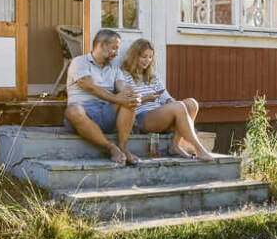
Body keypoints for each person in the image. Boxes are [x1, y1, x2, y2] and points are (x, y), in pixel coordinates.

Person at [118, 39, 216, 162]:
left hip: (161, 114)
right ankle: (199, 149)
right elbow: (128, 102)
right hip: (143, 117)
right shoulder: (124, 75)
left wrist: (170, 101)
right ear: (134, 56)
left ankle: (175, 145)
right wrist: (147, 98)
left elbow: (166, 96)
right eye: (144, 57)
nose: (147, 61)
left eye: (150, 57)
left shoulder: (152, 76)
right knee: (179, 106)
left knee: (191, 103)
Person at [62, 29, 141, 165]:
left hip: (106, 112)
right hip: (83, 115)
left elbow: (122, 85)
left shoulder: (114, 69)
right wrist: (117, 99)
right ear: (102, 44)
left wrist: (132, 94)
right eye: (114, 48)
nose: (117, 53)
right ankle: (110, 147)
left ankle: (122, 146)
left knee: (130, 100)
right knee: (73, 111)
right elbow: (89, 86)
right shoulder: (79, 62)